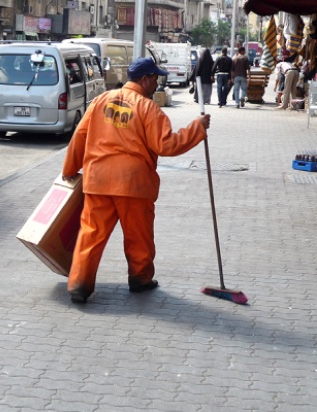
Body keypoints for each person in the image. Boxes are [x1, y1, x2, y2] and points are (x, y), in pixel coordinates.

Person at [61, 57, 211, 304]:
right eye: (155, 79)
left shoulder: (100, 101)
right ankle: (140, 278)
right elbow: (167, 144)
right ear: (145, 79)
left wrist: (69, 169)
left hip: (98, 180)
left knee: (91, 234)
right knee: (138, 235)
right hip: (133, 183)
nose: (157, 84)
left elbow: (79, 137)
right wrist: (197, 128)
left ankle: (79, 284)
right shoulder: (148, 109)